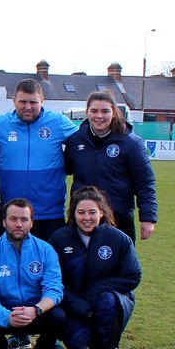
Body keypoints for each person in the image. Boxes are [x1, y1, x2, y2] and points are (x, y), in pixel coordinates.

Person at [48, 187, 141, 349]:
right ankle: (78, 348)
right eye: (81, 212)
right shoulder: (59, 239)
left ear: (102, 212)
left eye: (92, 212)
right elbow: (51, 280)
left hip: (106, 301)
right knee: (76, 337)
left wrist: (93, 293)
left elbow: (132, 276)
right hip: (72, 303)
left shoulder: (119, 239)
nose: (86, 218)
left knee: (108, 301)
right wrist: (78, 304)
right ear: (73, 214)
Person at [0, 199, 66, 349]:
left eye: (24, 219)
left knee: (59, 317)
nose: (18, 224)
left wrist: (36, 309)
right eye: (13, 219)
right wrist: (7, 316)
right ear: (3, 221)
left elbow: (54, 289)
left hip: (36, 311)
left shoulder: (46, 250)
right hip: (7, 311)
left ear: (31, 223)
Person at [0, 78, 78, 239]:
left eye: (33, 102)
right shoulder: (0, 124)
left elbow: (84, 140)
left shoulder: (57, 122)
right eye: (23, 102)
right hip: (13, 214)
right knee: (12, 263)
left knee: (49, 262)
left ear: (42, 100)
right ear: (14, 101)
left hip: (50, 214)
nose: (28, 107)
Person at [64, 91, 158, 242]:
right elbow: (66, 169)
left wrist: (148, 218)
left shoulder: (131, 143)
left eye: (105, 111)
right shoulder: (75, 141)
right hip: (83, 218)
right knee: (79, 264)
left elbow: (145, 182)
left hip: (118, 219)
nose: (99, 116)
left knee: (119, 265)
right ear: (87, 112)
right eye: (94, 111)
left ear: (114, 113)